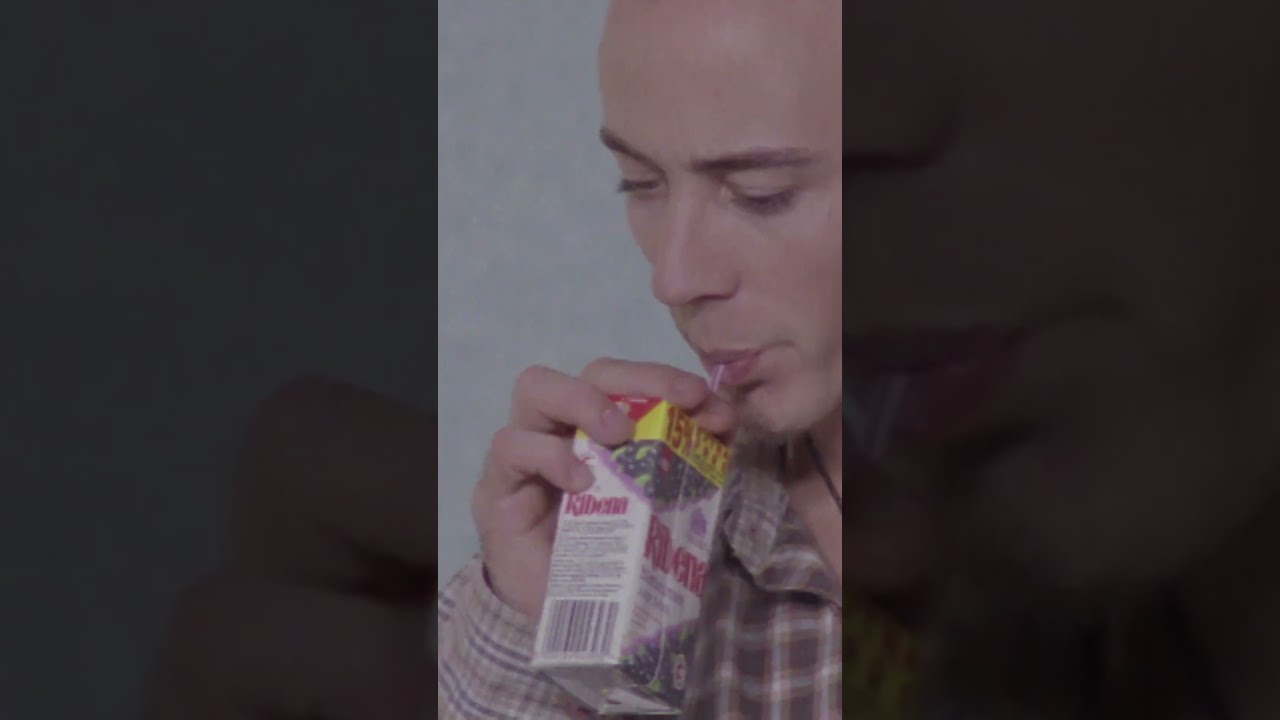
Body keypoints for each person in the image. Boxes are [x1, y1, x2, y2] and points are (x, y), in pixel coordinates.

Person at [437, 0, 844, 717]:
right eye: (641, 183)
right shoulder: (629, 538)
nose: (674, 278)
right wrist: (544, 632)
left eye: (762, 195)